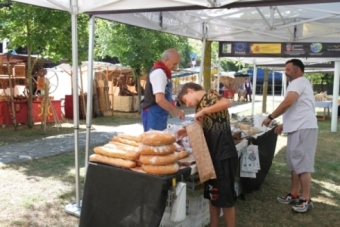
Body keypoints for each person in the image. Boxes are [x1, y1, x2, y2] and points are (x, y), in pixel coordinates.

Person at [177, 82, 238, 227]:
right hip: (211, 157)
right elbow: (204, 128)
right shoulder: (199, 107)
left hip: (223, 153)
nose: (188, 104)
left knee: (225, 199)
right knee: (213, 195)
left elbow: (226, 102)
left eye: (186, 100)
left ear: (190, 90)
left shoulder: (210, 95)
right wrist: (187, 131)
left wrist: (204, 111)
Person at [262, 59, 318, 213]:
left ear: (297, 70)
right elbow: (297, 109)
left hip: (304, 128)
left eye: (287, 69)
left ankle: (306, 199)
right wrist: (284, 125)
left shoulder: (298, 82)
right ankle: (294, 194)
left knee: (303, 165)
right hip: (298, 128)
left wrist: (271, 117)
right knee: (294, 164)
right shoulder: (299, 83)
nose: (285, 72)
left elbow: (288, 103)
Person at [141, 48, 185, 131]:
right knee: (153, 142)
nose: (175, 67)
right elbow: (160, 100)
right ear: (166, 60)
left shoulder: (163, 72)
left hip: (158, 114)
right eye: (174, 64)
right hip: (153, 114)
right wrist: (177, 112)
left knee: (159, 141)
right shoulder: (159, 73)